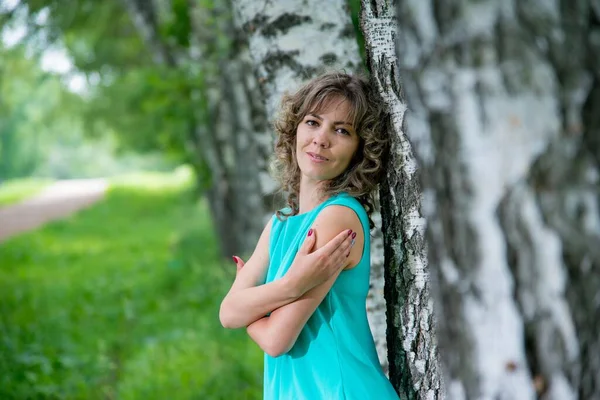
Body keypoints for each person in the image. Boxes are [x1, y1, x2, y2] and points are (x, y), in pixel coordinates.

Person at [219, 72, 399, 399]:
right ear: (295, 129)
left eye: (342, 130)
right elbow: (227, 313)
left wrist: (251, 306)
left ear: (360, 150)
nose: (321, 139)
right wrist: (291, 285)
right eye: (313, 122)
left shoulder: (337, 217)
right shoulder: (280, 225)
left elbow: (276, 340)